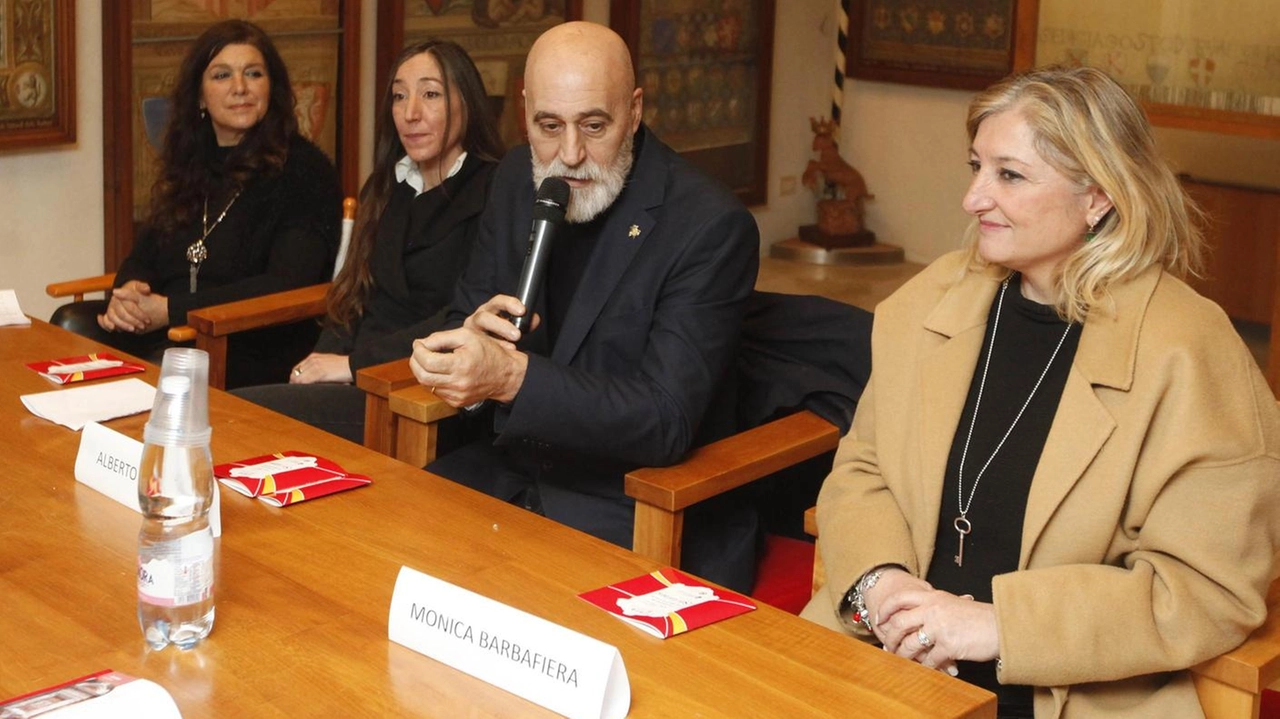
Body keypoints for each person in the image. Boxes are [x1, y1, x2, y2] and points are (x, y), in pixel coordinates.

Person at [801, 66, 1280, 718]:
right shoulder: (930, 299)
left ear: (1098, 197)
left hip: (1069, 691)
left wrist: (996, 627)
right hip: (890, 654)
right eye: (975, 166)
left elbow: (1206, 588)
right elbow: (862, 468)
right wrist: (879, 586)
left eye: (1009, 174)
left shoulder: (1189, 349)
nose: (972, 198)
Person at [409, 22, 761, 591]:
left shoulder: (708, 225)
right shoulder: (514, 185)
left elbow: (666, 418)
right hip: (506, 477)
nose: (570, 155)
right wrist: (460, 352)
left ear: (635, 109)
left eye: (595, 125)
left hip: (632, 509)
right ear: (524, 110)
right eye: (549, 126)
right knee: (371, 568)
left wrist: (511, 378)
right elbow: (467, 318)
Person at [232, 40, 503, 443]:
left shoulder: (494, 189)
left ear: (468, 103)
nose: (410, 113)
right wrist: (318, 363)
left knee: (238, 419)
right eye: (398, 96)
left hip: (416, 390)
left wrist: (350, 365)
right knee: (229, 411)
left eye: (430, 94)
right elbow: (352, 293)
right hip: (352, 380)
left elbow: (466, 316)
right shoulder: (387, 185)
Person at [51, 19, 341, 389]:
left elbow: (287, 283)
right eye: (222, 75)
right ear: (201, 96)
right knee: (70, 324)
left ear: (272, 88)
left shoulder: (304, 169)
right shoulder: (190, 164)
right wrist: (129, 294)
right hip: (173, 330)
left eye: (253, 73)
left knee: (164, 368)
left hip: (249, 340)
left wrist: (171, 311)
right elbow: (143, 256)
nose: (240, 88)